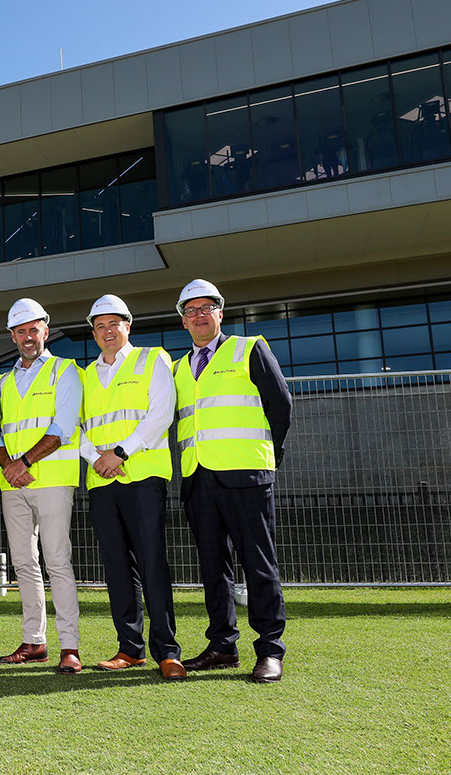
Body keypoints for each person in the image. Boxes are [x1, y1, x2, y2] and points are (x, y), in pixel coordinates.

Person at [172, 279, 292, 684]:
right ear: (183, 321)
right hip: (198, 478)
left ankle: (270, 650)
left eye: (207, 308)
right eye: (191, 311)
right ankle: (222, 645)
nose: (199, 315)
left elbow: (281, 403)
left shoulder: (249, 347)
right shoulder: (178, 368)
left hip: (246, 475)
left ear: (221, 313)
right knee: (213, 569)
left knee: (258, 564)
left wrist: (268, 458)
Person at [79, 294, 185, 680]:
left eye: (114, 324)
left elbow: (161, 414)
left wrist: (120, 453)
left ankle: (167, 651)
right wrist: (97, 458)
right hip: (101, 480)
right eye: (100, 326)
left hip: (143, 475)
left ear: (128, 325)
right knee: (117, 569)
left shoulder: (153, 358)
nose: (108, 332)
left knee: (152, 562)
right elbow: (75, 426)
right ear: (93, 333)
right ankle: (130, 648)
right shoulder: (85, 374)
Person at [0, 298, 84, 674]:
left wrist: (22, 463)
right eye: (21, 331)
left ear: (46, 330)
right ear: (12, 336)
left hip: (53, 479)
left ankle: (70, 647)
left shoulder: (67, 371)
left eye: (34, 329)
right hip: (13, 484)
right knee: (24, 564)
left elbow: (63, 427)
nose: (28, 337)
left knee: (58, 562)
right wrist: (9, 466)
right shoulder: (1, 381)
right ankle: (34, 642)